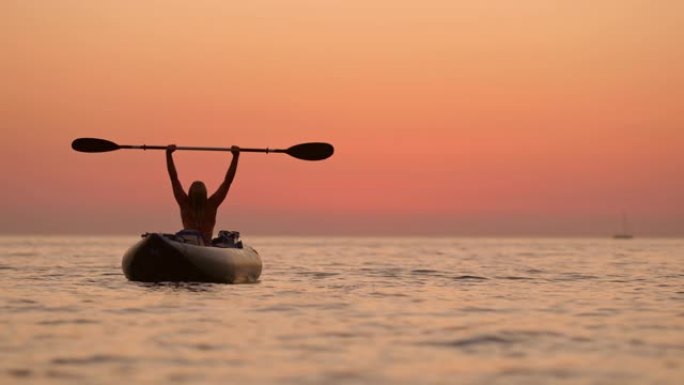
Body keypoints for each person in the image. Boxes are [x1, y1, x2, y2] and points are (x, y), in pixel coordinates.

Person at [166, 144, 240, 245]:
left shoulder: (186, 203)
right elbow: (227, 182)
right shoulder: (211, 204)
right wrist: (235, 156)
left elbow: (174, 179)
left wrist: (168, 154)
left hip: (199, 246)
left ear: (190, 193)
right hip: (196, 245)